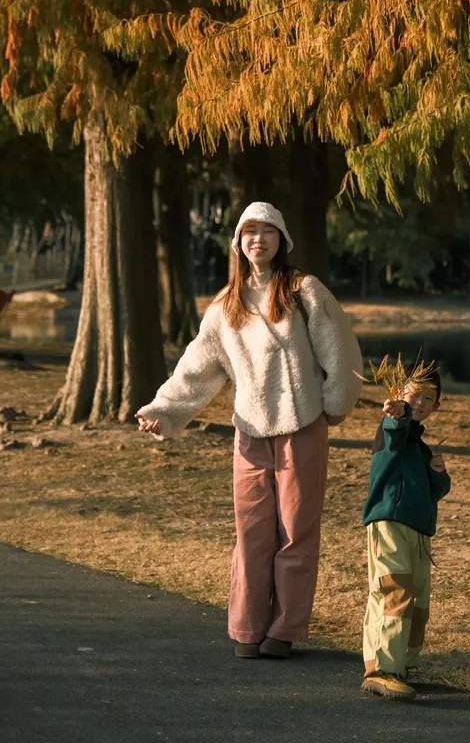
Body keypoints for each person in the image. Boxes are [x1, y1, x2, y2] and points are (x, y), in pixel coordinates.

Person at [136, 201, 363, 658]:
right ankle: (247, 627)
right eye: (248, 233)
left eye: (266, 231)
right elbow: (197, 368)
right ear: (238, 243)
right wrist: (164, 409)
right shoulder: (225, 306)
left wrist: (334, 407)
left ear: (281, 239)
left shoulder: (306, 292)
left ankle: (284, 630)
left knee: (296, 532)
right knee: (252, 531)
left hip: (302, 427)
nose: (257, 239)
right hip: (250, 432)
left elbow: (340, 353)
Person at [360, 369, 451, 702]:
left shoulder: (422, 447)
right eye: (415, 395)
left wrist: (438, 475)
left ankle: (402, 664)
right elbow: (394, 426)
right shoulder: (392, 431)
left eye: (429, 398)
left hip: (419, 530)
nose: (421, 403)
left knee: (418, 600)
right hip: (390, 522)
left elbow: (434, 492)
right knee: (393, 591)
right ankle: (383, 670)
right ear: (399, 395)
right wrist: (397, 414)